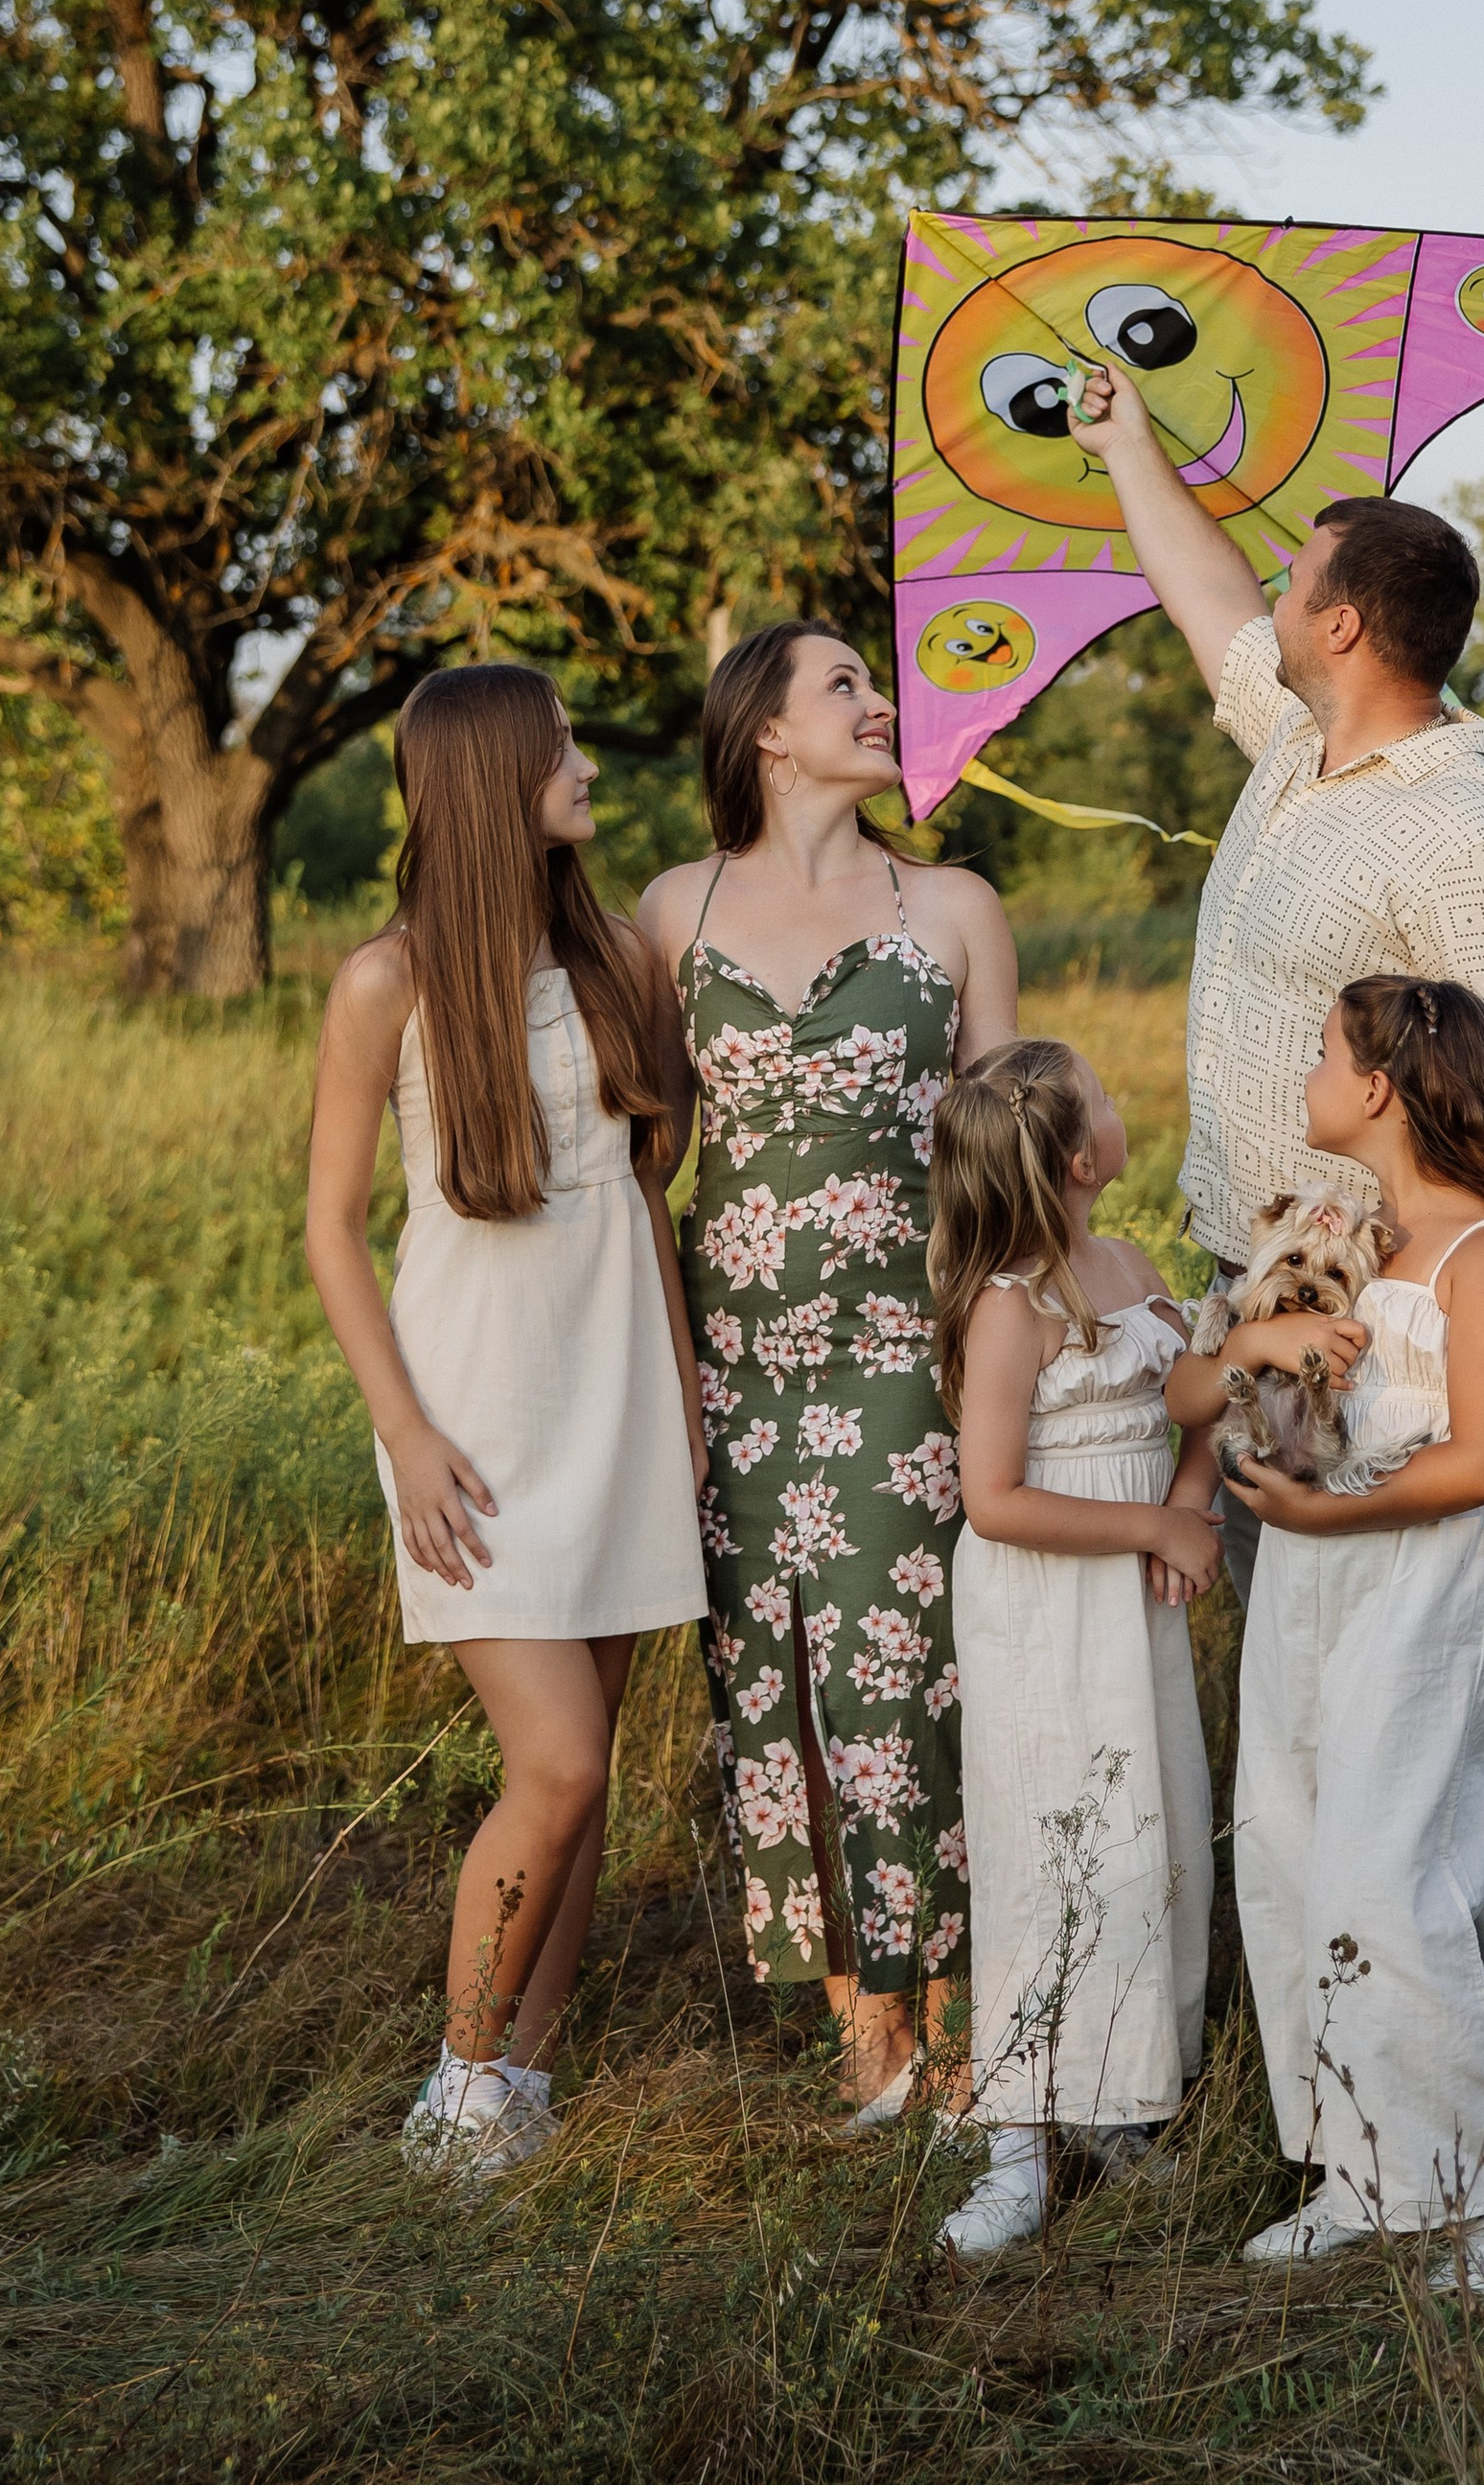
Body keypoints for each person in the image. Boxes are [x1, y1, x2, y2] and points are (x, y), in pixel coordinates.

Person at [1072, 360, 1484, 2137]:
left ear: (1354, 621)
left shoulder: (1460, 824)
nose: (1270, 597)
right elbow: (1207, 601)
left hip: (1398, 1324)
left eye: (1300, 577)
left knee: (1464, 1705)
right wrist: (1125, 442)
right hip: (1266, 1290)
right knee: (1340, 1705)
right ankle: (1364, 2085)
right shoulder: (1302, 747)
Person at [305, 664, 707, 2173]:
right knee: (561, 1767)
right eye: (562, 752)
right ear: (490, 781)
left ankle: (523, 2083)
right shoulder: (386, 983)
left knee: (590, 1768)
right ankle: (457, 2084)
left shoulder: (615, 956)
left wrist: (678, 1391)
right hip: (473, 1410)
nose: (590, 767)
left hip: (617, 1394)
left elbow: (646, 1207)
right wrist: (403, 1434)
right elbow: (331, 1229)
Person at [638, 624, 1020, 2124]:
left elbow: (1017, 1144)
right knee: (776, 1682)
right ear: (768, 735)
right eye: (845, 685)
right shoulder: (676, 908)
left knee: (911, 1674)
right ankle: (865, 2030)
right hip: (733, 1361)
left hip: (908, 1351)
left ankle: (968, 2022)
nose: (881, 704)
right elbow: (648, 1152)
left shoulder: (955, 904)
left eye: (880, 683)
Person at [1166, 975, 1484, 2290]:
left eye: (1320, 1052)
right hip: (1310, 1598)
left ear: (1379, 1086)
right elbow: (1221, 1386)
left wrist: (1315, 1509)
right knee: (1294, 1869)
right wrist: (1272, 1374)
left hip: (1415, 1598)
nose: (1304, 1070)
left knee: (1384, 1881)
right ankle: (1370, 2170)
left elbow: (1480, 1461)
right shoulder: (1353, 1237)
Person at [928, 1037, 1222, 2257]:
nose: (1120, 1104)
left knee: (1144, 1839)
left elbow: (1198, 1399)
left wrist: (1193, 1498)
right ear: (1071, 1156)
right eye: (1102, 1097)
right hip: (1043, 1612)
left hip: (1132, 1612)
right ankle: (1015, 2140)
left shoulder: (1130, 1264)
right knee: (1047, 1846)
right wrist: (1148, 1519)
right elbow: (993, 1497)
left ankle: (1117, 2103)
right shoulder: (1009, 1307)